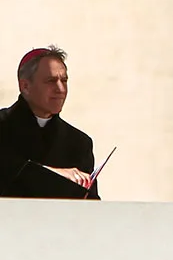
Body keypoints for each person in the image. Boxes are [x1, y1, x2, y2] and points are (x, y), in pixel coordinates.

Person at [0, 46, 100, 199]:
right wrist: (53, 174)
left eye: (64, 80)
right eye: (51, 81)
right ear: (25, 86)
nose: (60, 89)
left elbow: (89, 204)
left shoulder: (79, 143)